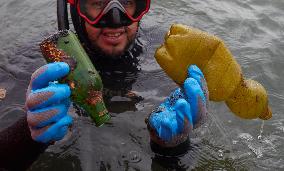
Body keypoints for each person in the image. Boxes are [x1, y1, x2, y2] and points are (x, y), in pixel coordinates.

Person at [0, 0, 208, 170]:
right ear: (76, 10)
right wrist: (28, 135)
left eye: (126, 2)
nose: (114, 19)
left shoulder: (164, 57)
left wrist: (173, 147)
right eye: (98, 3)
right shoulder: (26, 66)